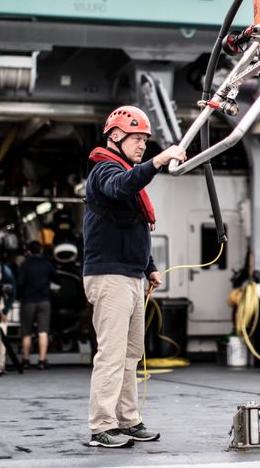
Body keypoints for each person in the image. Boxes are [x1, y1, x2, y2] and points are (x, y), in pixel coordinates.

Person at [83, 105, 186, 449]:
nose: (142, 145)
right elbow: (119, 188)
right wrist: (157, 162)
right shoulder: (105, 171)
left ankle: (127, 420)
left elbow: (134, 226)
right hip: (109, 275)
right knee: (111, 355)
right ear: (115, 136)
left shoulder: (126, 173)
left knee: (130, 354)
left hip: (130, 275)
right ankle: (101, 426)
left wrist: (149, 266)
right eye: (136, 138)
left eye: (145, 140)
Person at [17, 240, 60, 369]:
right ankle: (41, 360)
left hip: (28, 301)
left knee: (27, 332)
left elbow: (19, 283)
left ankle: (25, 360)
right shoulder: (47, 264)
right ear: (40, 250)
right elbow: (58, 279)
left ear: (29, 251)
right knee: (43, 331)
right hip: (44, 301)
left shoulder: (25, 265)